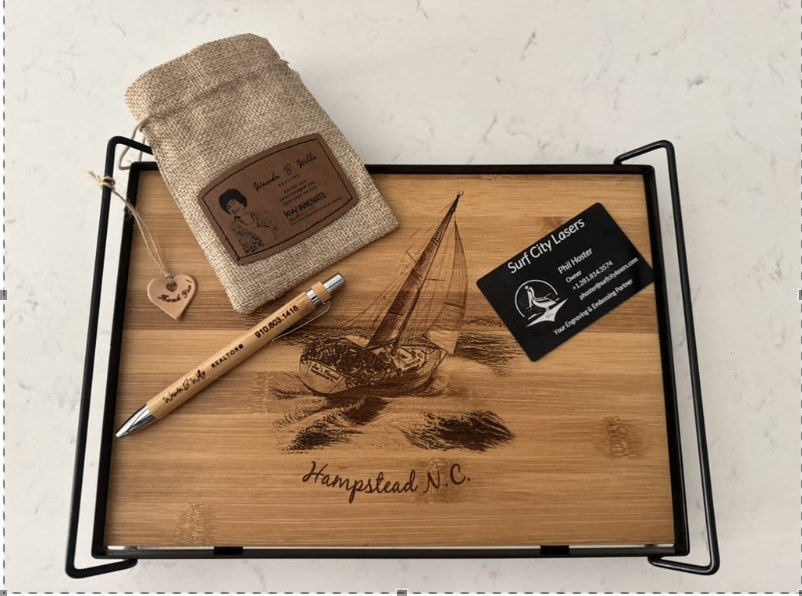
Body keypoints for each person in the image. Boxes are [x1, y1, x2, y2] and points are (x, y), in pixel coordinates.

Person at [218, 188, 278, 255]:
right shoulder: (234, 229)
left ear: (241, 201)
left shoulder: (263, 216)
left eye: (233, 203)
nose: (232, 208)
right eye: (228, 207)